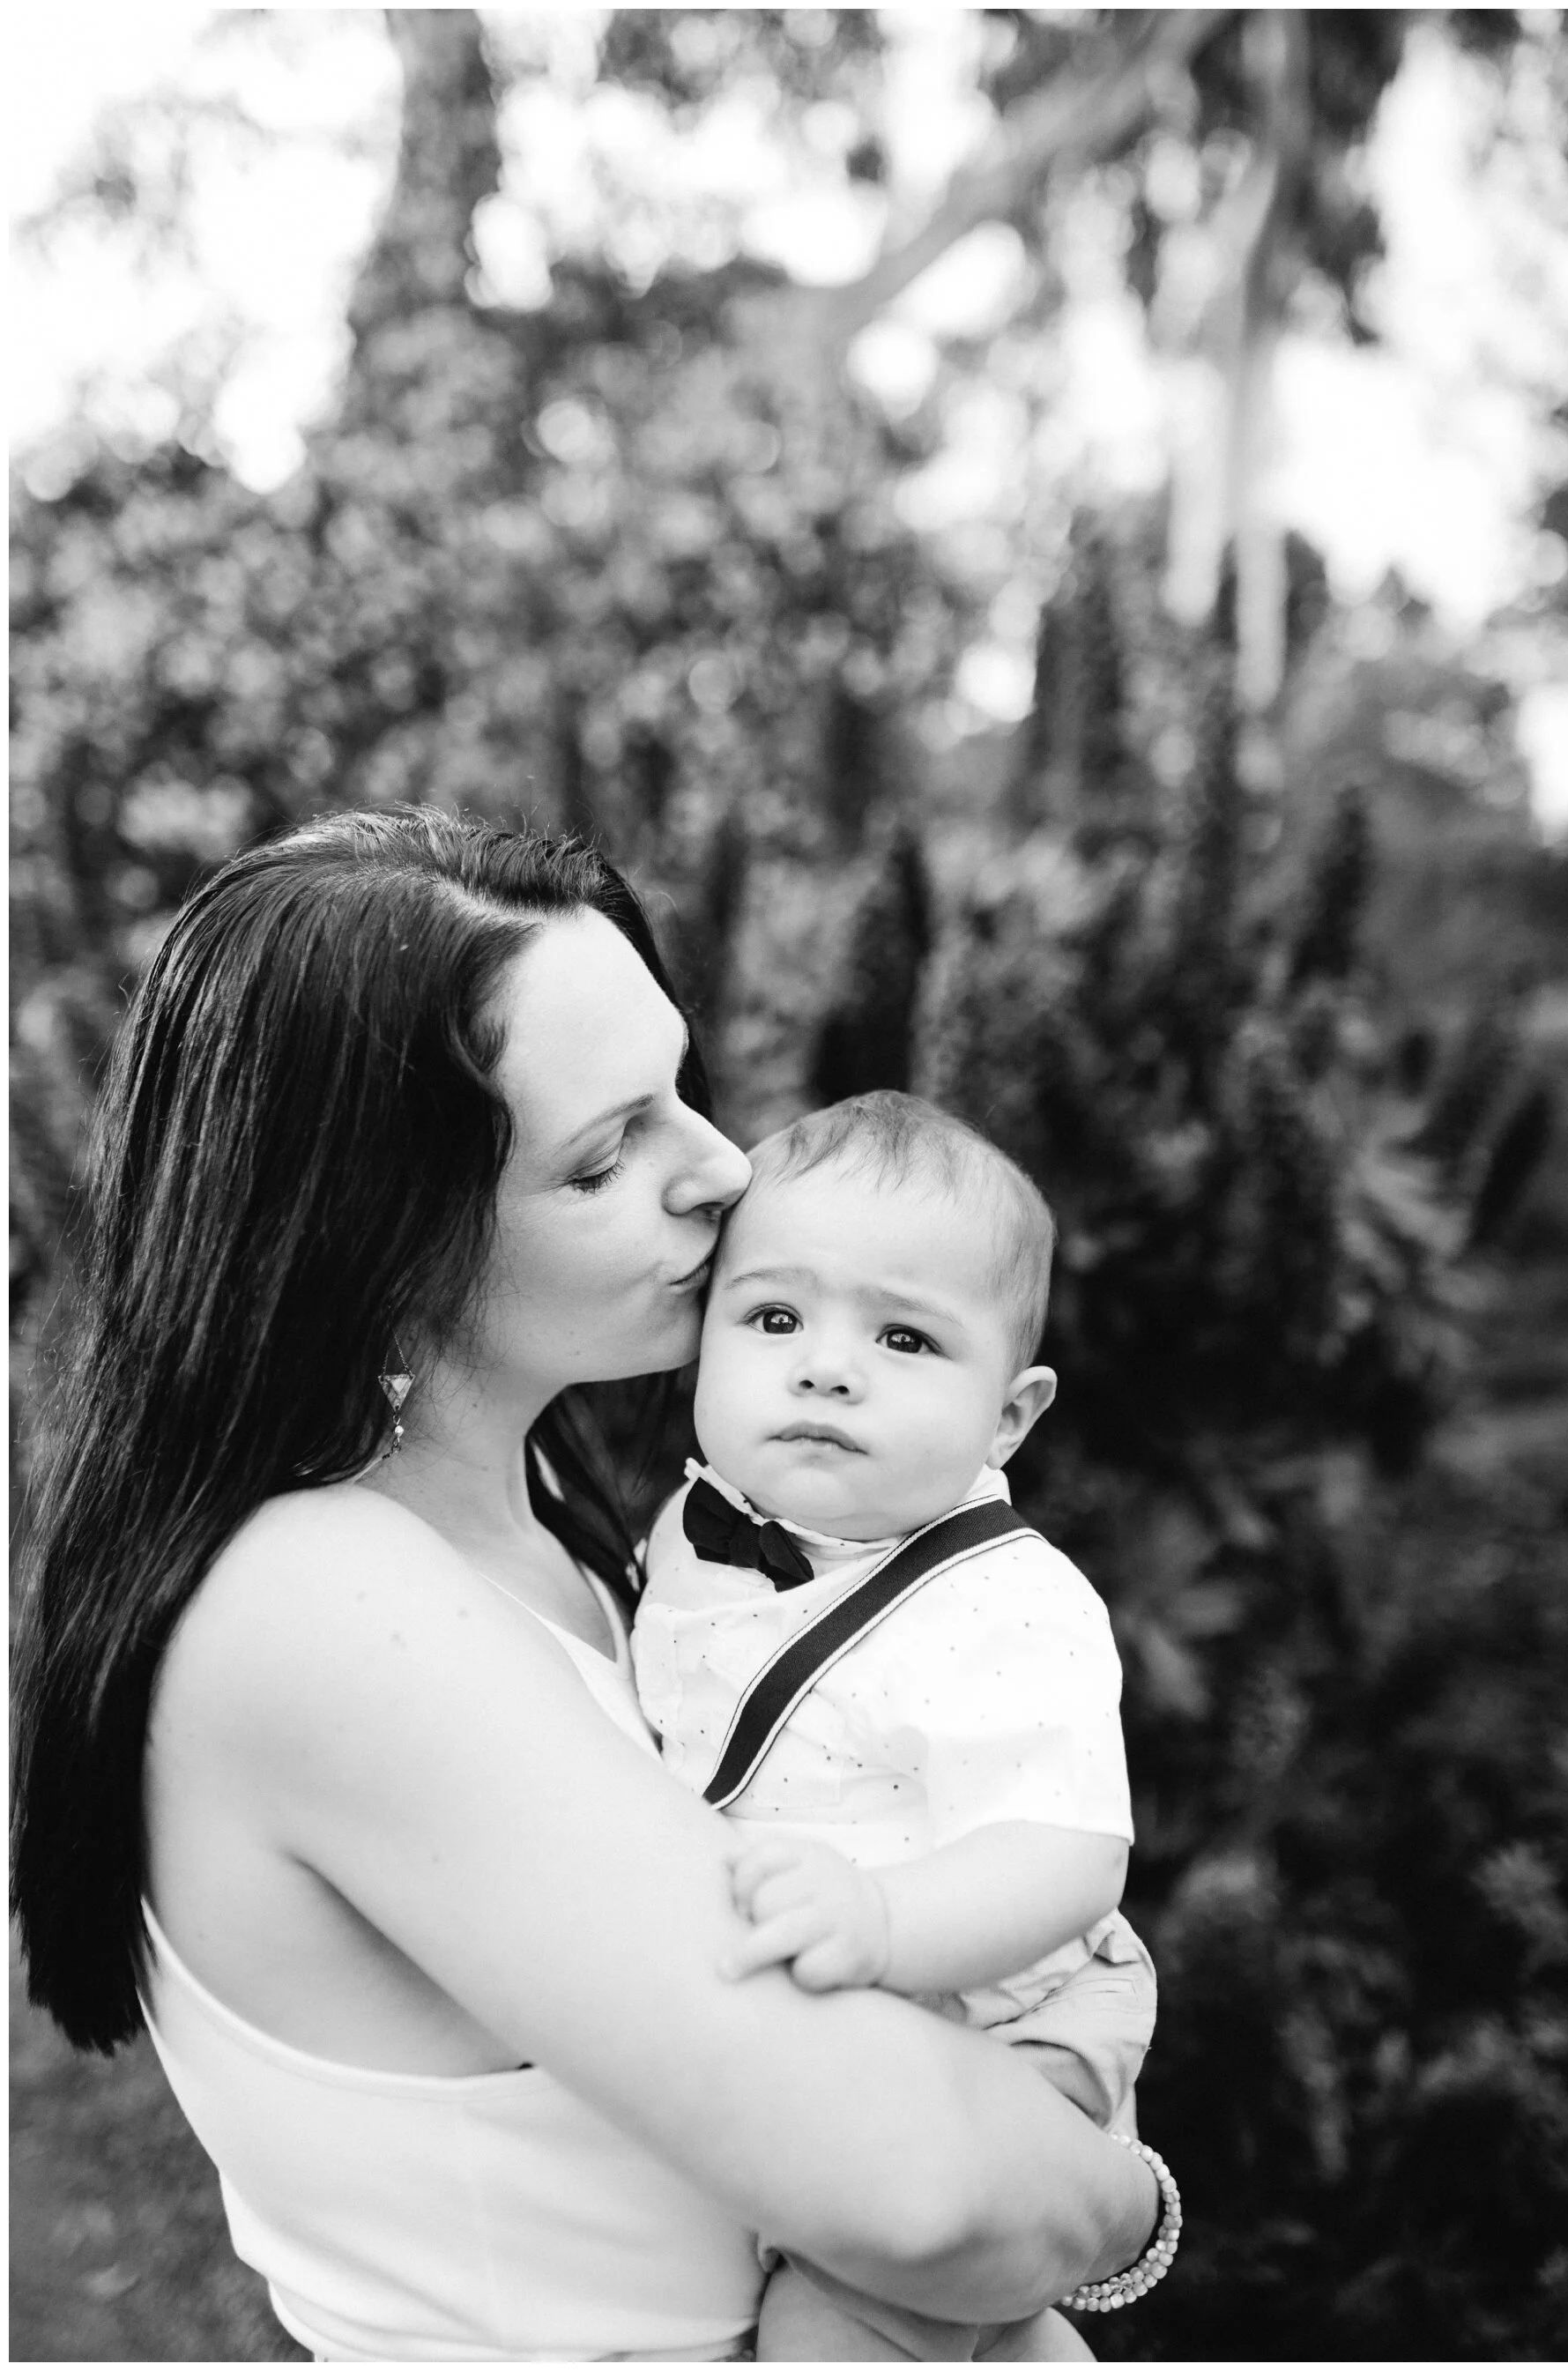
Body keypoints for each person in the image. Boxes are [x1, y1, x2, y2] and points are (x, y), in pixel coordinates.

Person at [11, 806, 1166, 2364]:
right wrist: (1121, 2195)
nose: (722, 1167)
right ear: (379, 1237)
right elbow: (925, 2188)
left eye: (682, 1090)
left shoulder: (565, 1535)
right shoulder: (325, 1609)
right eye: (610, 1151)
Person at [635, 1093, 1166, 2360]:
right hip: (843, 2039)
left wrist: (880, 1922)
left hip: (993, 2031)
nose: (827, 1365)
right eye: (775, 1318)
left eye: (905, 1337)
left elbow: (1067, 1853)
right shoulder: (694, 1532)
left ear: (1009, 1417)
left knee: (832, 2319)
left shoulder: (1005, 1603)